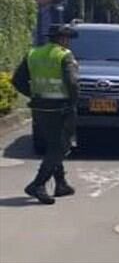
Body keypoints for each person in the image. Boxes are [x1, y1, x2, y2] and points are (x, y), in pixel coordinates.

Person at [12, 24, 79, 205]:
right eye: (67, 39)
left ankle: (61, 184)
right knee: (60, 147)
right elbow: (72, 83)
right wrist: (73, 102)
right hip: (60, 108)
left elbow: (17, 80)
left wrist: (34, 94)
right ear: (63, 39)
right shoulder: (64, 55)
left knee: (52, 144)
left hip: (40, 108)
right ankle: (38, 184)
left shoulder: (33, 54)